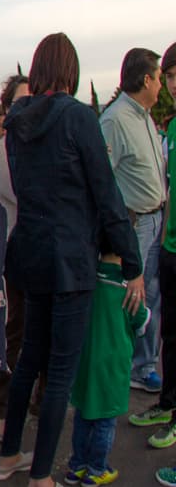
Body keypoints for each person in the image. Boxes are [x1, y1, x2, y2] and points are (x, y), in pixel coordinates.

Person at [0, 33, 143, 487]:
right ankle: (40, 476)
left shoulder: (16, 121)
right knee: (59, 370)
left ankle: (9, 457)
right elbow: (105, 192)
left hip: (30, 252)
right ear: (71, 71)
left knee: (30, 359)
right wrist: (131, 259)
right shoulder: (78, 117)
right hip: (71, 258)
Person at [99, 47, 166, 394]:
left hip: (156, 222)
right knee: (130, 296)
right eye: (159, 78)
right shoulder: (115, 120)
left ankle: (143, 367)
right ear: (145, 79)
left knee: (149, 298)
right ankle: (120, 369)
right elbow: (102, 181)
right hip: (134, 225)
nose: (162, 87)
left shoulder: (144, 117)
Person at [0, 74, 42, 442]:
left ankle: (36, 402)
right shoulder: (3, 150)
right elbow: (30, 197)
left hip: (37, 254)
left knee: (39, 333)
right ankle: (3, 411)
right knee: (10, 336)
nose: (29, 106)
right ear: (7, 110)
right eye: (21, 100)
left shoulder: (37, 146)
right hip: (10, 255)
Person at [65, 246, 150, 486]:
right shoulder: (127, 287)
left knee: (82, 414)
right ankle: (97, 469)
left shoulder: (88, 279)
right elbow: (142, 322)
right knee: (105, 420)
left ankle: (77, 465)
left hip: (85, 361)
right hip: (113, 363)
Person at [152, 41, 176, 487]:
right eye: (170, 76)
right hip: (171, 247)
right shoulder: (171, 129)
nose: (174, 82)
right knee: (169, 334)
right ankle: (168, 405)